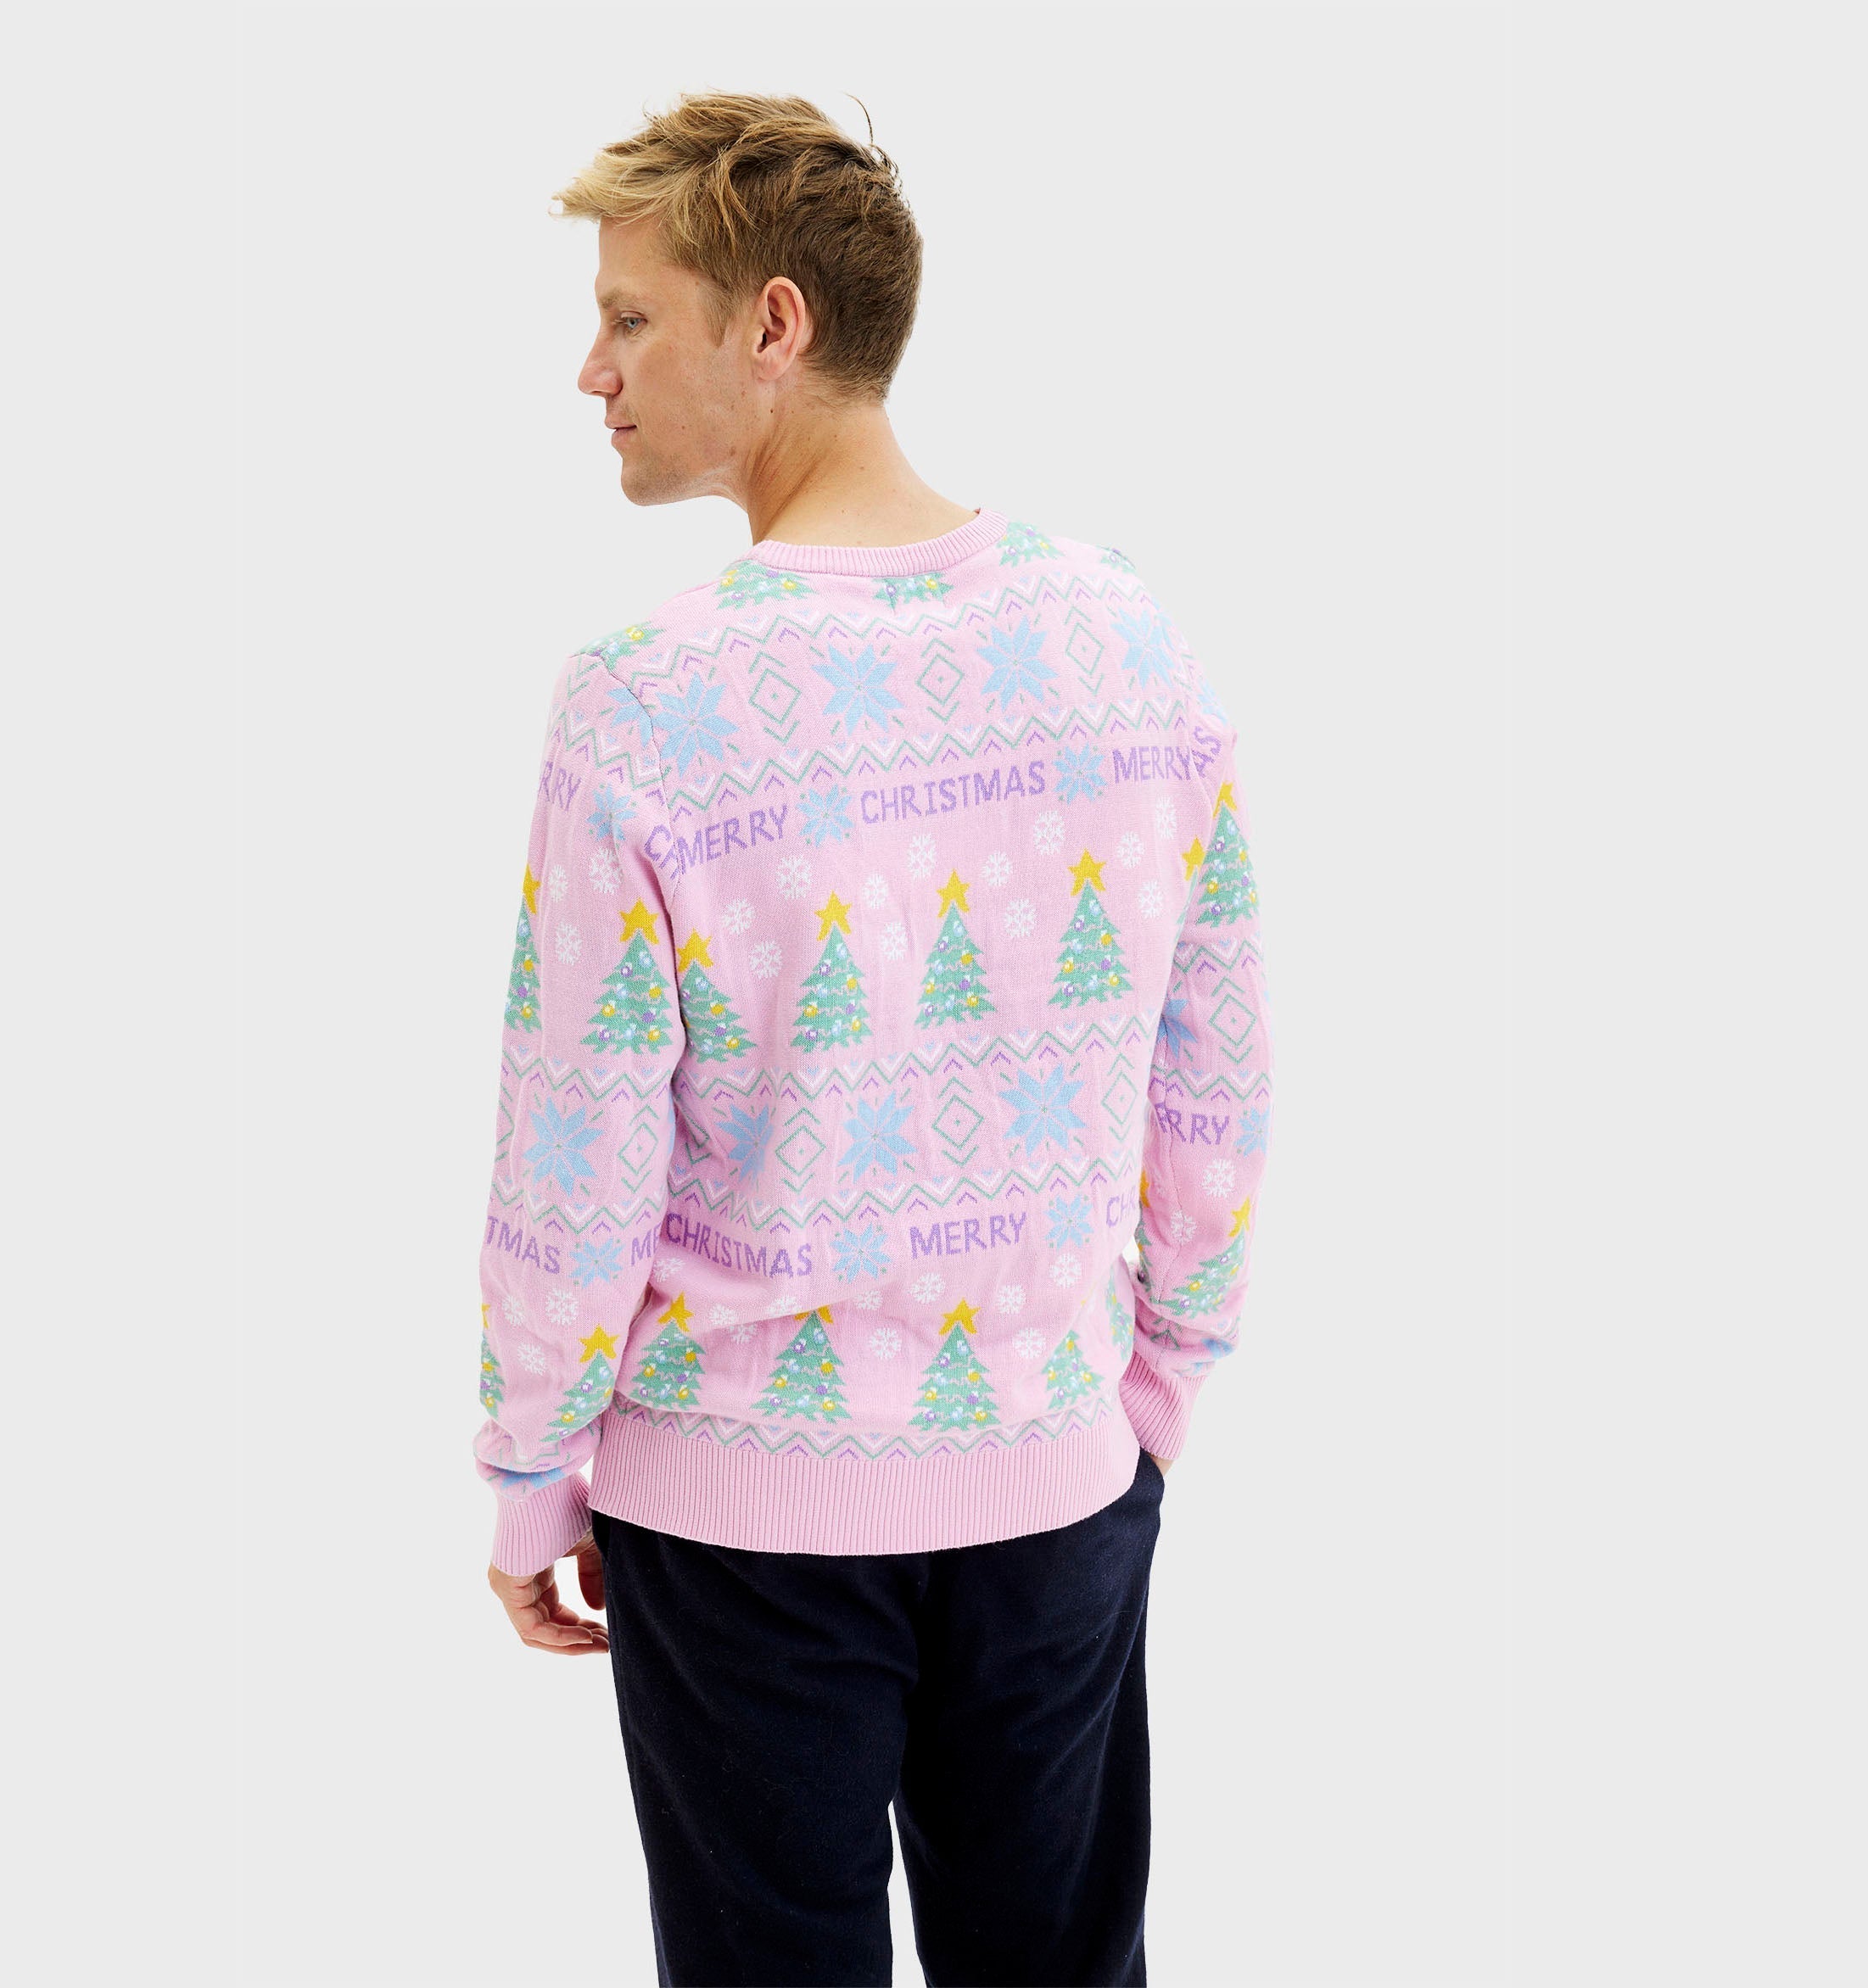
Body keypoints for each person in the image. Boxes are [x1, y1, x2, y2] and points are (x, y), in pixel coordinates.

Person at [473, 91, 1274, 1987]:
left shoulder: (643, 700)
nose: (591, 371)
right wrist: (1154, 1390)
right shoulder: (1125, 636)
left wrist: (531, 1465)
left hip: (736, 1521)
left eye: (629, 316)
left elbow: (578, 1137)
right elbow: (1219, 1064)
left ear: (773, 323)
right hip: (1057, 1478)